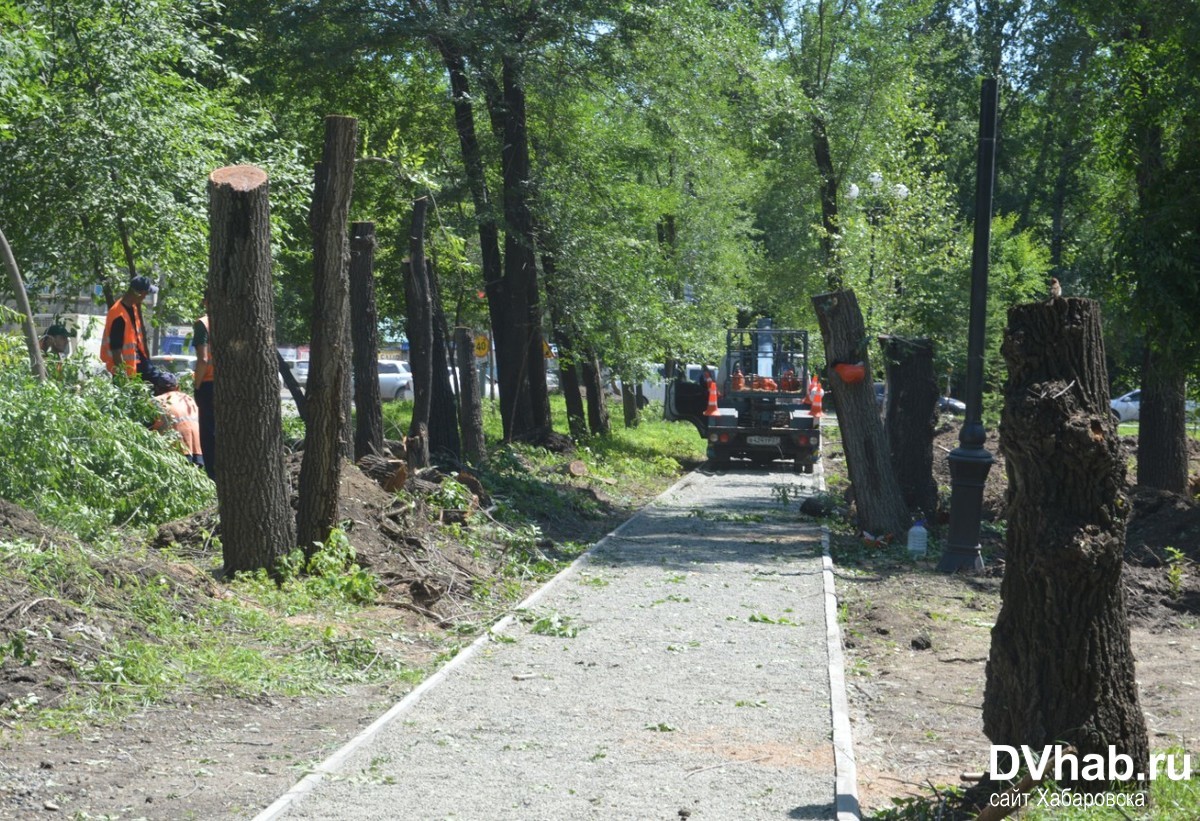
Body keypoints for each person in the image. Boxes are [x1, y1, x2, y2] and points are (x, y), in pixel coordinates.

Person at [101, 275, 159, 384]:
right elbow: (116, 351)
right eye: (146, 293)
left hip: (137, 366)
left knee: (164, 382)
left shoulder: (132, 308)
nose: (145, 296)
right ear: (139, 293)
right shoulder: (119, 315)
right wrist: (124, 380)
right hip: (127, 374)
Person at [150, 372, 204, 468]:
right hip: (198, 450)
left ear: (157, 388)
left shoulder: (156, 401)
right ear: (178, 387)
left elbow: (148, 429)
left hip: (175, 452)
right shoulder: (188, 399)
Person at [192, 298, 216, 479]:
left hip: (208, 385)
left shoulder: (203, 324)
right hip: (229, 386)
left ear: (206, 302)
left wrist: (197, 385)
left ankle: (213, 476)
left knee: (209, 436)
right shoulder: (233, 321)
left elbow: (203, 359)